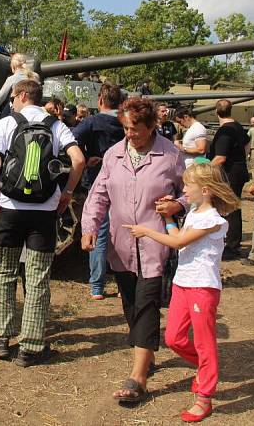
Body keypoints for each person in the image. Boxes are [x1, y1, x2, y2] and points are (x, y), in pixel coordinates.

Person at [81, 97, 187, 404]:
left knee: (146, 305)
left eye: (136, 129)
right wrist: (89, 228)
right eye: (126, 128)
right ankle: (147, 352)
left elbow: (191, 191)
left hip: (155, 244)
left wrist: (178, 204)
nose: (130, 134)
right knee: (129, 303)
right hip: (122, 245)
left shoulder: (170, 155)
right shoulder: (114, 155)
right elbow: (99, 195)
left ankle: (138, 378)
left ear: (152, 125)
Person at [125, 162, 239, 422]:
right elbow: (177, 235)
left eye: (188, 186)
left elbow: (177, 242)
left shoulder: (213, 219)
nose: (184, 189)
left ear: (206, 190)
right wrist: (167, 218)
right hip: (183, 283)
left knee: (203, 341)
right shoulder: (196, 212)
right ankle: (207, 367)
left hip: (203, 287)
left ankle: (204, 395)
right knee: (174, 338)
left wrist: (146, 232)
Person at [0, 79, 85, 367]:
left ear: (22, 95)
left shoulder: (7, 122)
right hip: (44, 210)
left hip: (11, 209)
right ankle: (30, 346)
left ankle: (1, 339)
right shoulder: (55, 125)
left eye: (13, 96)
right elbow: (77, 159)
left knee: (3, 271)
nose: (12, 102)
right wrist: (66, 193)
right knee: (38, 276)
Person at [71, 84, 126, 299]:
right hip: (124, 183)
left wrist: (85, 160)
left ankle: (97, 287)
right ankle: (123, 285)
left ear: (100, 101)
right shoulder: (125, 123)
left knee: (98, 235)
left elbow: (72, 139)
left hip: (98, 182)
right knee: (123, 234)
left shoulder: (92, 122)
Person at [207, 100, 249, 260]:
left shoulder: (225, 131)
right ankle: (232, 243)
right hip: (239, 170)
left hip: (230, 173)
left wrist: (204, 171)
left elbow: (220, 158)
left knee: (230, 208)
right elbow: (247, 146)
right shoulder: (238, 127)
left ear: (216, 112)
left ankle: (231, 246)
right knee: (234, 207)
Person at [0, 53, 29, 118]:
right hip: (31, 107)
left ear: (13, 66)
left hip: (17, 109)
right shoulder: (33, 77)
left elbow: (1, 96)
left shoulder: (12, 79)